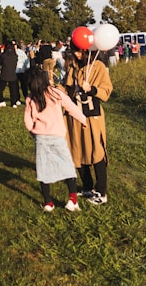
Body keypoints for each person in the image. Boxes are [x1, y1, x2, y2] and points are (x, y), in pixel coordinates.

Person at [24, 68, 86, 212]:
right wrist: (83, 120)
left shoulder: (30, 98)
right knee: (68, 167)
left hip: (41, 138)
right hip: (57, 136)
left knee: (43, 169)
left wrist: (33, 132)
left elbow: (28, 121)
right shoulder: (56, 93)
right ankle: (72, 200)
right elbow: (71, 106)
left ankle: (48, 203)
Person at [63, 46, 113, 205]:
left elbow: (106, 91)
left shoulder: (98, 67)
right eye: (75, 52)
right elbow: (67, 87)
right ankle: (87, 185)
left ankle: (101, 191)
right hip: (74, 115)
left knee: (96, 151)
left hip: (92, 117)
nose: (77, 55)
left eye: (80, 52)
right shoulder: (73, 67)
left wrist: (91, 89)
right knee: (77, 149)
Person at [0, 40, 20, 108]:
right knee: (13, 90)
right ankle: (13, 103)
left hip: (4, 74)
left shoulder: (4, 55)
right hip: (12, 74)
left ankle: (1, 101)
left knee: (0, 89)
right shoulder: (15, 56)